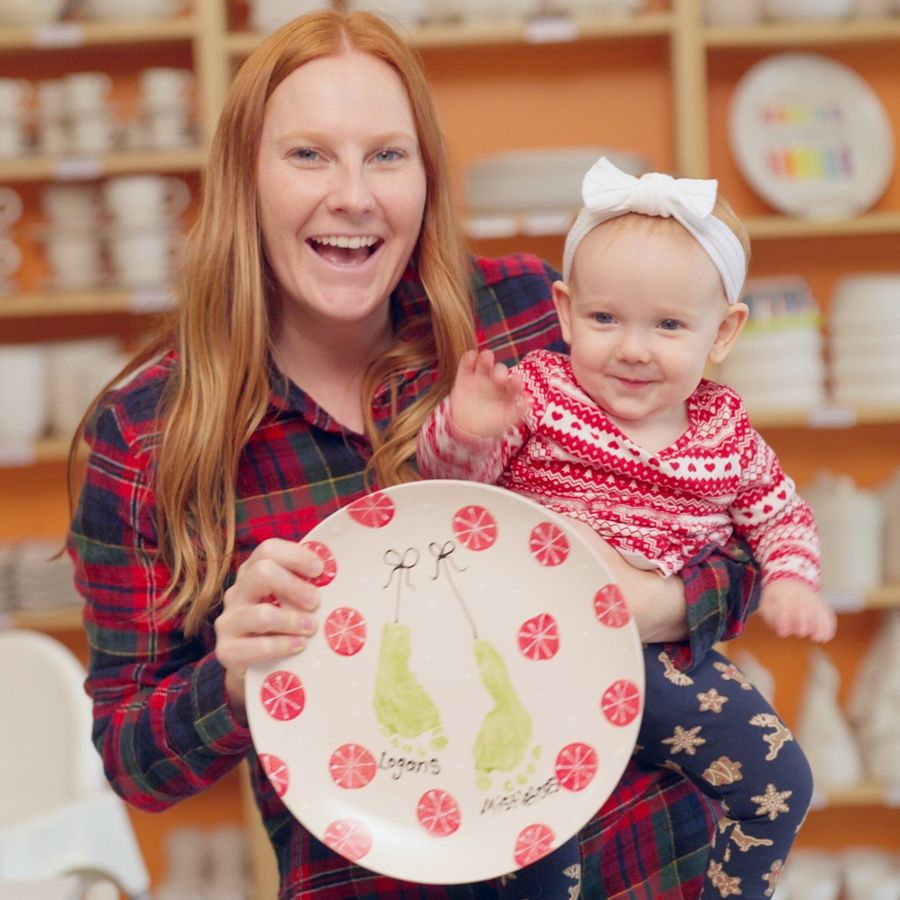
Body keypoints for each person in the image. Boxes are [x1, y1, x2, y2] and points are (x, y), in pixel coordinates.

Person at [68, 12, 762, 900]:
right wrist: (232, 680)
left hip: (650, 868)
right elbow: (134, 762)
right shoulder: (149, 435)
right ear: (243, 179)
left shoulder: (531, 325)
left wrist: (652, 602)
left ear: (428, 179)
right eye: (308, 154)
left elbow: (743, 535)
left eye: (387, 155)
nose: (353, 195)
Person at [417, 156, 837, 898]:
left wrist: (795, 576)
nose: (634, 348)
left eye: (669, 325)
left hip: (665, 663)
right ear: (565, 310)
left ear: (723, 332)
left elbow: (780, 514)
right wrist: (468, 429)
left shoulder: (728, 434)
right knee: (537, 837)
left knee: (782, 781)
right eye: (605, 318)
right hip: (531, 658)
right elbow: (456, 498)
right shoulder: (540, 395)